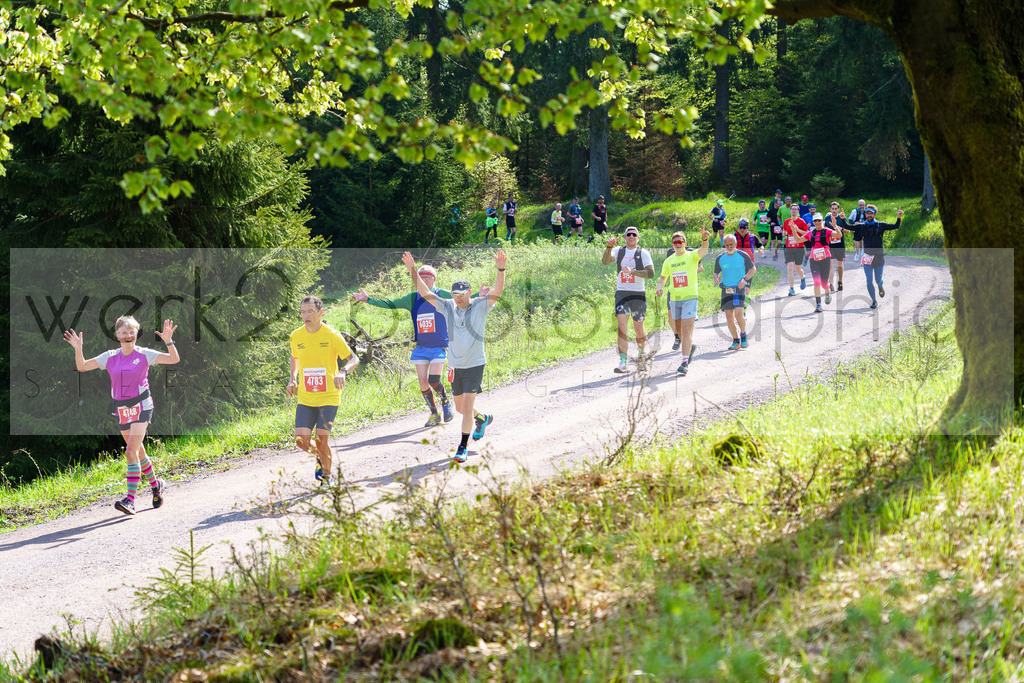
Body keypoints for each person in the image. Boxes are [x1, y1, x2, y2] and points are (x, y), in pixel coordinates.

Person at [63, 316, 178, 515]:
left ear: (136, 334)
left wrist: (168, 341)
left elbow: (173, 359)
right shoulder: (110, 357)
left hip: (142, 406)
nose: (128, 335)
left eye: (132, 332)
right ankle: (156, 485)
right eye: (124, 332)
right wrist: (78, 349)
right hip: (122, 409)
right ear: (117, 335)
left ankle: (130, 500)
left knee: (130, 452)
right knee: (138, 452)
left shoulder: (144, 354)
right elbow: (82, 366)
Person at [402, 249, 507, 464]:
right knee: (460, 408)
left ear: (470, 293)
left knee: (466, 407)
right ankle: (482, 419)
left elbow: (497, 290)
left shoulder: (480, 306)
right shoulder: (448, 306)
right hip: (456, 365)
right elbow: (425, 293)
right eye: (455, 295)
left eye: (462, 295)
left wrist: (501, 269)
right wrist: (413, 270)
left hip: (475, 364)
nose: (458, 299)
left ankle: (462, 447)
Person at [352, 264, 475, 427]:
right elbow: (391, 303)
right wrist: (368, 299)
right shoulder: (412, 298)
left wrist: (481, 296)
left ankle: (445, 401)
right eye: (421, 278)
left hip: (439, 346)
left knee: (434, 380)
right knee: (423, 381)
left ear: (434, 279)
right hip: (421, 347)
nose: (424, 281)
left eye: (427, 277)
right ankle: (434, 414)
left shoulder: (442, 294)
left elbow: (462, 298)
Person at [287, 295, 360, 486]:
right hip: (306, 396)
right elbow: (295, 357)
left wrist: (343, 372)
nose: (306, 316)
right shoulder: (296, 336)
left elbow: (354, 358)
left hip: (329, 396)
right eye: (303, 312)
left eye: (310, 311)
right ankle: (322, 457)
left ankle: (326, 478)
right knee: (301, 441)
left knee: (321, 440)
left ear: (320, 313)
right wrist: (292, 379)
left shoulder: (332, 335)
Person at [656, 228, 709, 375]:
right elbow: (662, 277)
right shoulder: (669, 260)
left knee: (686, 331)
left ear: (685, 243)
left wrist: (704, 239)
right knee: (679, 332)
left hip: (690, 298)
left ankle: (684, 363)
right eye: (675, 242)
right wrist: (660, 287)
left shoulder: (692, 256)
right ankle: (689, 346)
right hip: (675, 299)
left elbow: (703, 249)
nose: (678, 244)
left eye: (680, 241)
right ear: (672, 245)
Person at [602, 226, 655, 373]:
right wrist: (608, 247)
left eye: (634, 234)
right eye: (628, 234)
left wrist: (633, 272)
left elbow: (651, 273)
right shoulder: (618, 250)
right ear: (624, 237)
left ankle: (641, 356)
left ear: (638, 237)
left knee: (638, 327)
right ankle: (623, 362)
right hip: (622, 293)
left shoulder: (643, 253)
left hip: (638, 294)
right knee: (622, 327)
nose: (631, 236)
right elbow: (605, 261)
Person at [714, 235, 757, 350]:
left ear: (736, 244)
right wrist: (716, 278)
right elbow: (716, 272)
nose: (729, 247)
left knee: (738, 314)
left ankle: (743, 335)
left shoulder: (743, 255)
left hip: (739, 289)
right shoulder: (720, 258)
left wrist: (745, 279)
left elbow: (753, 269)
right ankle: (735, 340)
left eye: (731, 245)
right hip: (726, 290)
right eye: (726, 245)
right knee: (729, 317)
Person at [860, 205, 904, 309]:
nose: (869, 215)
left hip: (879, 257)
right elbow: (849, 226)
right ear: (865, 214)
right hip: (867, 257)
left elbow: (895, 226)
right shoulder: (862, 226)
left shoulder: (881, 225)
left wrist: (898, 217)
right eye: (867, 213)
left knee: (878, 280)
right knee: (869, 280)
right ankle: (874, 301)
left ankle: (880, 285)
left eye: (871, 213)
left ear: (874, 214)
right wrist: (842, 220)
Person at [805, 213, 844, 312]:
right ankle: (818, 304)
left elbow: (839, 235)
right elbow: (798, 239)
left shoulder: (827, 231)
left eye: (819, 220)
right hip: (814, 259)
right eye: (815, 221)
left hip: (825, 258)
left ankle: (827, 291)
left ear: (822, 221)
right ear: (813, 222)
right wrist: (793, 230)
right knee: (816, 282)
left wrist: (835, 226)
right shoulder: (811, 233)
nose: (817, 222)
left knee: (824, 283)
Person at [782, 205, 809, 295]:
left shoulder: (801, 221)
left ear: (798, 211)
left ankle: (802, 277)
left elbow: (807, 233)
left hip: (799, 248)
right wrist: (784, 233)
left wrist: (798, 230)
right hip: (789, 248)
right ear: (790, 211)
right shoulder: (786, 221)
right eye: (792, 209)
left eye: (795, 209)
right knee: (790, 267)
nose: (793, 211)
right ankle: (791, 288)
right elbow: (784, 232)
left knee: (798, 269)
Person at [824, 202, 848, 291]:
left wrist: (840, 228)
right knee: (830, 264)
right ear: (830, 209)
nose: (834, 210)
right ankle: (831, 284)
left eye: (835, 209)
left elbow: (848, 231)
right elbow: (824, 230)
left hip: (840, 245)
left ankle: (840, 281)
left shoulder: (842, 218)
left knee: (840, 265)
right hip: (830, 245)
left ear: (838, 209)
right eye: (832, 209)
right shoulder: (827, 218)